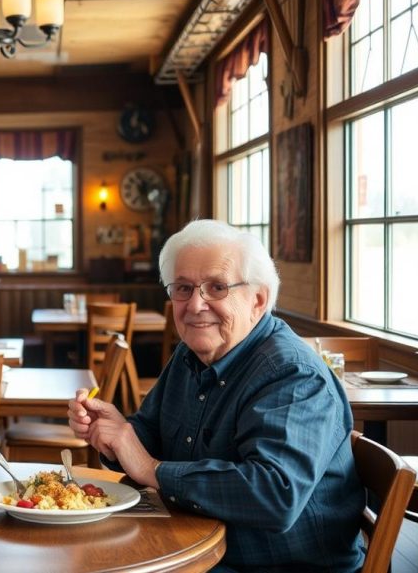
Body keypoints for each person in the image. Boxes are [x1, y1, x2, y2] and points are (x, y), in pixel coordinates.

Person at [69, 219, 364, 572]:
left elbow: (275, 495)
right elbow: (148, 435)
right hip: (198, 544)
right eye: (183, 288)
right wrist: (115, 436)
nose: (195, 305)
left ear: (257, 300)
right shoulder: (188, 354)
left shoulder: (292, 375)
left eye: (217, 287)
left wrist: (152, 469)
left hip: (280, 565)